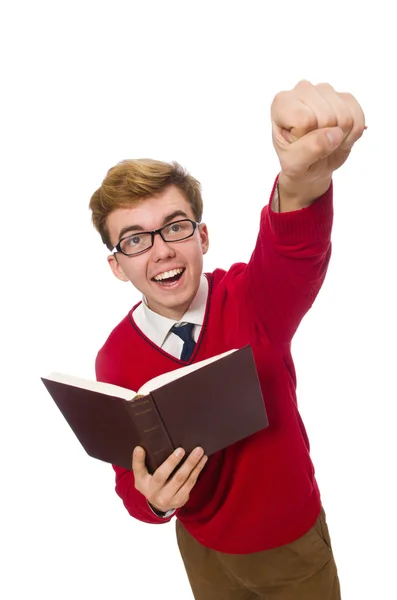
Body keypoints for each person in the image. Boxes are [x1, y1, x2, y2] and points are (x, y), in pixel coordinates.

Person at [89, 80, 365, 599]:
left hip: (290, 545)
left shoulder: (251, 297)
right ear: (118, 266)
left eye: (175, 227)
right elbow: (131, 477)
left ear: (202, 236)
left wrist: (300, 181)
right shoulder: (115, 355)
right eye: (135, 239)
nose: (161, 251)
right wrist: (153, 500)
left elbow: (295, 251)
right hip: (201, 547)